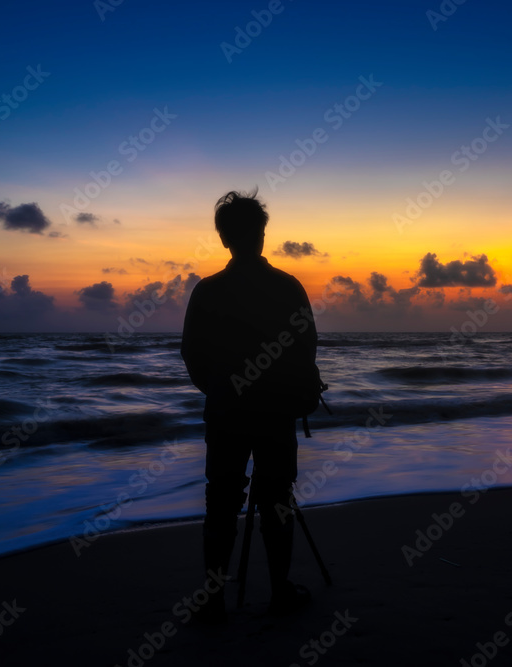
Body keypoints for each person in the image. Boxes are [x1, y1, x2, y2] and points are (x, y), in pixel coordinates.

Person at [180, 189, 317, 620]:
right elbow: (305, 350)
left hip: (225, 412)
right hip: (276, 412)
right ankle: (280, 591)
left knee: (220, 501)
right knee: (277, 498)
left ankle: (213, 598)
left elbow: (192, 355)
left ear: (224, 239)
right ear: (261, 235)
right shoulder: (287, 287)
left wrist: (221, 389)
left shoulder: (208, 291)